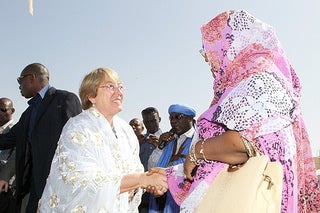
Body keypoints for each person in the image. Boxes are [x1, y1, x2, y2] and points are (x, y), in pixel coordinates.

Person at [151, 10, 320, 212]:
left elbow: (243, 145)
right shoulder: (241, 84)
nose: (207, 58)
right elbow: (222, 164)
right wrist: (169, 174)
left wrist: (196, 152)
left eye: (209, 48)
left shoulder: (258, 82)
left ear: (230, 44)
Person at [38, 67, 168, 212]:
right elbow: (82, 182)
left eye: (120, 86)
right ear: (91, 96)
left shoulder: (126, 130)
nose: (118, 92)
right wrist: (141, 179)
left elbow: (135, 172)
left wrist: (147, 183)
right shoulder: (78, 127)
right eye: (110, 86)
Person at [0, 63, 82, 212]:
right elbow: (6, 140)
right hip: (33, 189)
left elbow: (79, 143)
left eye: (20, 80)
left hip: (59, 188)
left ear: (31, 78)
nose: (19, 86)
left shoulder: (64, 100)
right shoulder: (28, 114)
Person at [149, 104, 196, 213]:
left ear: (190, 118)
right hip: (161, 198)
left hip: (185, 199)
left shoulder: (198, 141)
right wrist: (160, 147)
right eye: (171, 118)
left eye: (178, 117)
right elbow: (151, 167)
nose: (173, 121)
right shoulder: (168, 141)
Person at [0, 98, 16, 213]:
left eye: (3, 109)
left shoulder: (16, 131)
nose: (0, 113)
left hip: (6, 188)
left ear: (12, 111)